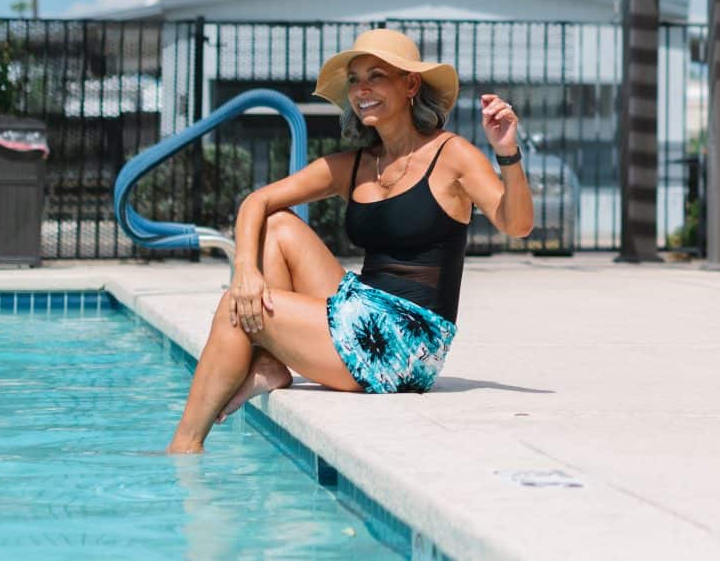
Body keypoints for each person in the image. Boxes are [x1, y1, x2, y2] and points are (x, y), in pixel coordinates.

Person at [167, 28, 532, 453]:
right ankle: (269, 364)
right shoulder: (357, 164)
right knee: (277, 226)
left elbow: (517, 224)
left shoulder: (451, 155)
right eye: (355, 80)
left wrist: (507, 152)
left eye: (377, 76)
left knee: (237, 309)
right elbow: (257, 201)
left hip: (408, 341)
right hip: (363, 305)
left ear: (410, 84)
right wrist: (245, 269)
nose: (362, 90)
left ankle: (184, 447)